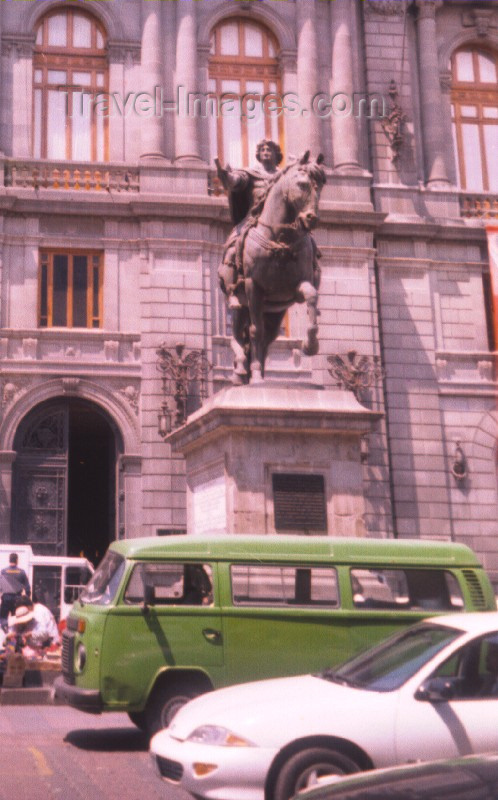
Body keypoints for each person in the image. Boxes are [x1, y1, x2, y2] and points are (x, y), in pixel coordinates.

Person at [216, 139, 283, 310]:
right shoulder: (252, 173)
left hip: (282, 222)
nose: (266, 152)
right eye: (263, 149)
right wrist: (227, 176)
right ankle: (232, 293)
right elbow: (237, 181)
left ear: (277, 154)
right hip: (254, 220)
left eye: (270, 149)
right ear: (258, 155)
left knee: (308, 241)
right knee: (232, 248)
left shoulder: (284, 176)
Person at [0, 552, 31, 625]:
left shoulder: (3, 571)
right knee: (17, 619)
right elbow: (27, 588)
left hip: (6, 599)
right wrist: (27, 599)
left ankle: (5, 632)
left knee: (3, 618)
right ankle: (15, 634)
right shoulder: (21, 572)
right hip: (17, 599)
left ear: (9, 560)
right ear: (17, 560)